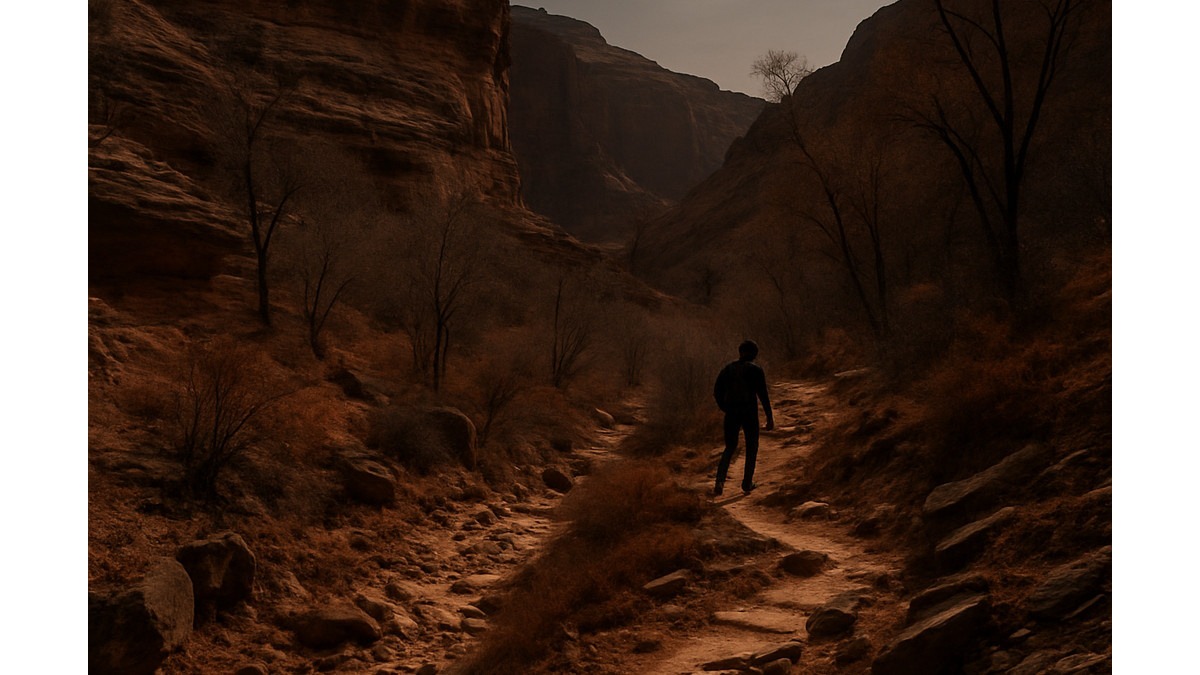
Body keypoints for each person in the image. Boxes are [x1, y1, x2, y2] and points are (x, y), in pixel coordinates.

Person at [712, 340, 774, 496]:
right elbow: (763, 395)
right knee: (751, 447)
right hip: (749, 412)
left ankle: (719, 481)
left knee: (730, 447)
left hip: (732, 412)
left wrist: (725, 407)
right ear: (754, 354)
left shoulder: (728, 369)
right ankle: (747, 483)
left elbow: (717, 391)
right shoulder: (756, 370)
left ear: (740, 352)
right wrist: (769, 417)